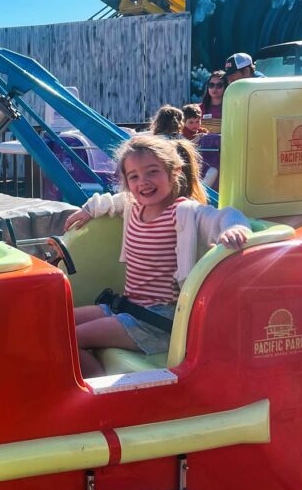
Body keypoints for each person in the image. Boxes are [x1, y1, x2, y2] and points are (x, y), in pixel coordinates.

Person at [63, 134, 250, 376]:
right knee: (58, 324)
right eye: (134, 177)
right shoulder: (134, 207)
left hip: (157, 322)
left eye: (153, 172)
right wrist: (91, 209)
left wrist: (235, 227)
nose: (143, 182)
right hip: (129, 307)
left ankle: (97, 396)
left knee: (70, 340)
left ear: (174, 171)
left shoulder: (184, 213)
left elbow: (224, 216)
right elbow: (116, 202)